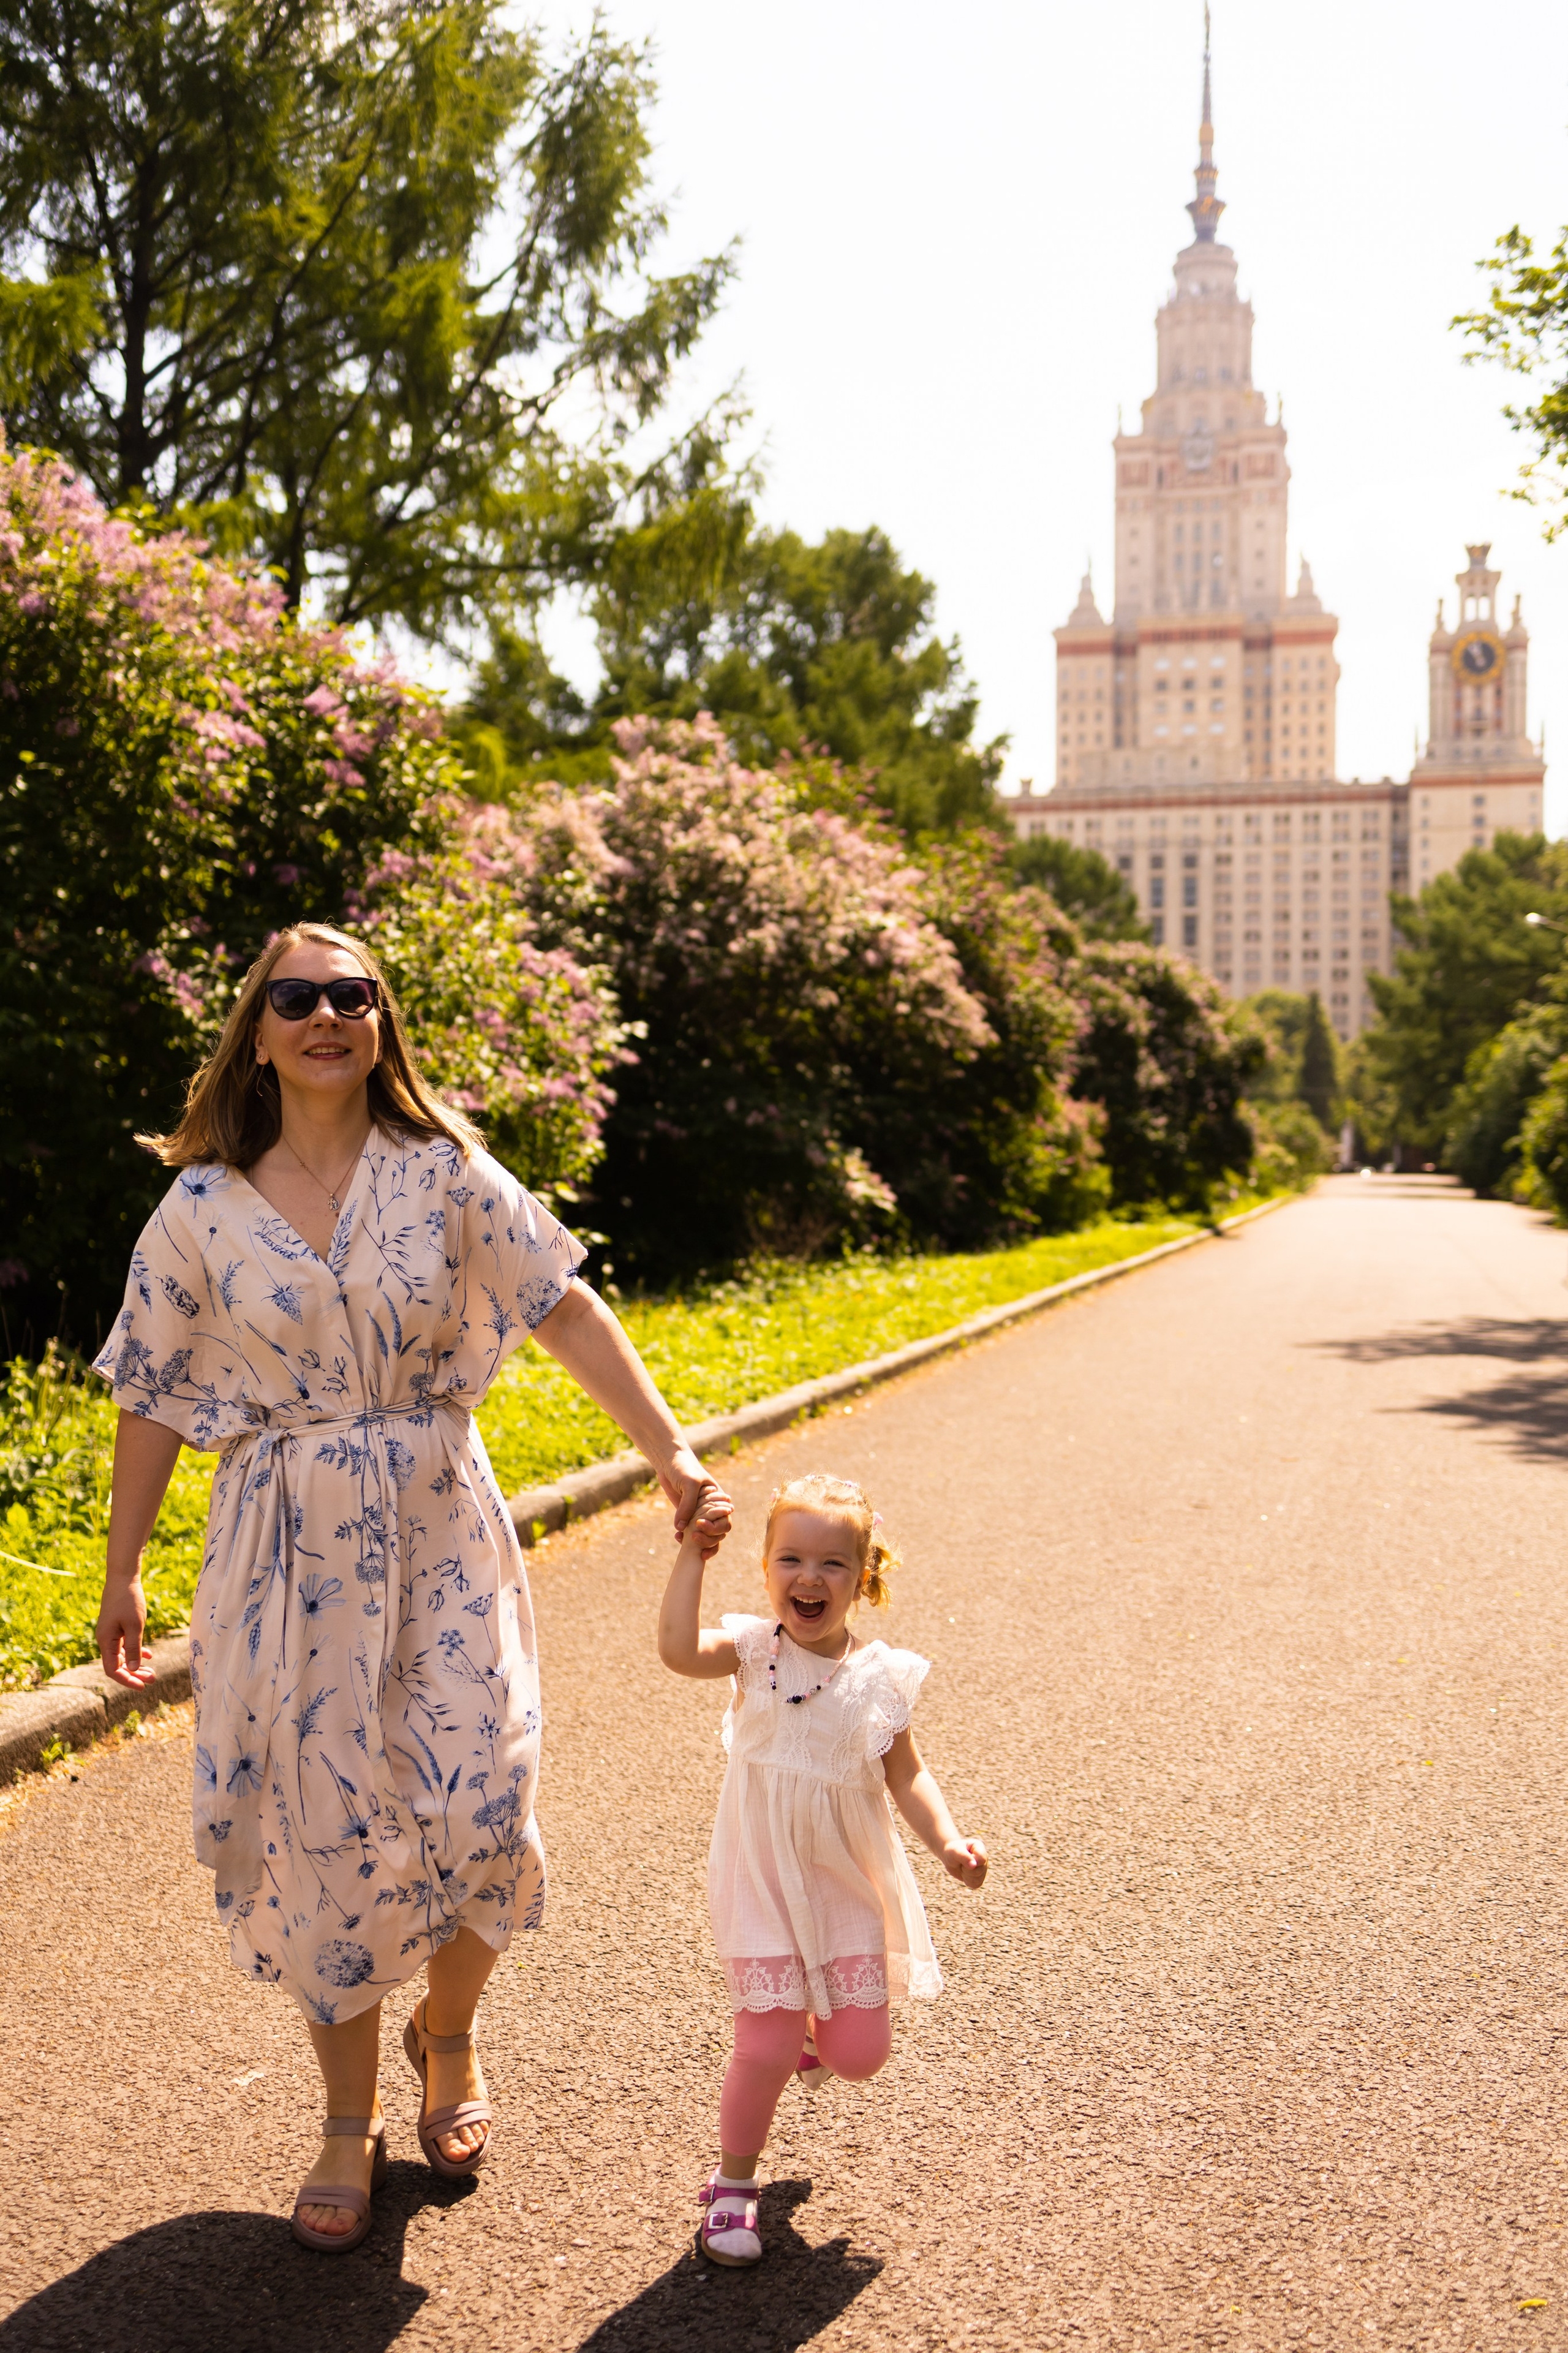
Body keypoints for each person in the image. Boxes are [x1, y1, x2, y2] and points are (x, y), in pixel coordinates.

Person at [92, 921, 728, 2253]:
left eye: (353, 995)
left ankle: (451, 2032)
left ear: (380, 1024)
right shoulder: (199, 1207)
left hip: (439, 1519)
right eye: (296, 998)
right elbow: (150, 1395)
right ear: (255, 1031)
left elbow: (560, 1304)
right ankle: (342, 2118)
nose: (327, 1015)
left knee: (481, 1799)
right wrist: (124, 1568)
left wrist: (668, 1455)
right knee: (325, 1831)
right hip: (287, 1549)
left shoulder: (442, 1173)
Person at [657, 1470, 987, 2266]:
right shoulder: (750, 1651)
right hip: (762, 1878)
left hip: (843, 1883)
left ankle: (813, 2031)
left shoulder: (881, 1678)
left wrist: (946, 1842)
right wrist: (691, 1556)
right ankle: (735, 2190)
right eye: (792, 1559)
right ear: (767, 1567)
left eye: (833, 1563)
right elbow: (673, 1649)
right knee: (762, 2048)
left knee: (860, 2055)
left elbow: (908, 1774)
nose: (810, 1578)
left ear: (863, 1576)